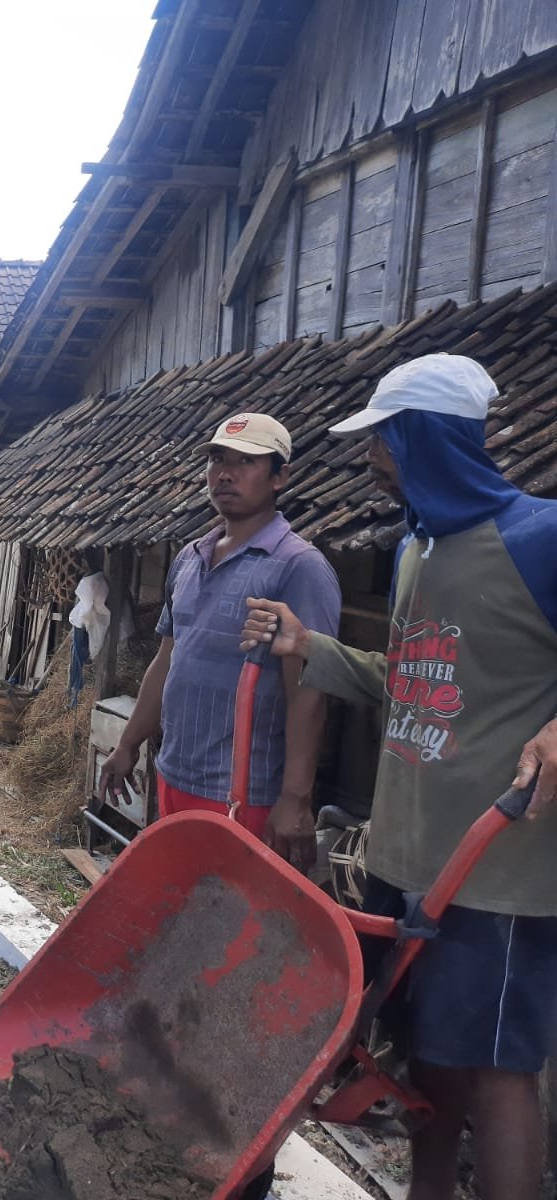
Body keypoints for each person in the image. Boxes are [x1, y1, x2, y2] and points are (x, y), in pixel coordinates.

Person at [241, 354, 557, 1200]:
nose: (371, 458)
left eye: (382, 439)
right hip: (408, 858)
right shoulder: (420, 548)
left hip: (498, 873)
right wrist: (312, 649)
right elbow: (413, 679)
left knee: (497, 1073)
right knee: (426, 1060)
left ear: (421, 437)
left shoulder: (540, 537)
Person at [99, 413, 340, 872]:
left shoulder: (297, 567)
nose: (225, 474)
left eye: (245, 461)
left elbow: (309, 691)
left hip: (244, 792)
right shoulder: (190, 558)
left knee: (227, 924)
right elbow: (168, 660)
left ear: (280, 477)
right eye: (216, 460)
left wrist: (295, 798)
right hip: (174, 773)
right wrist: (128, 745)